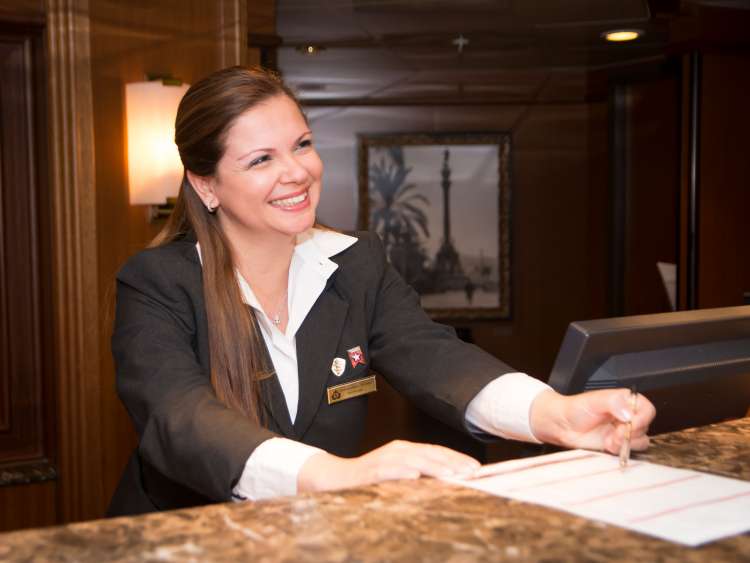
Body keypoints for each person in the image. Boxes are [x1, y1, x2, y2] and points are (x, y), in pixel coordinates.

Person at [108, 66, 655, 516]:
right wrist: (335, 473)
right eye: (261, 160)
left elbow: (435, 355)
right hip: (184, 541)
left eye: (302, 144)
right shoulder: (158, 283)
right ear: (205, 184)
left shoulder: (355, 262)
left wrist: (556, 415)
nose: (297, 172)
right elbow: (178, 417)